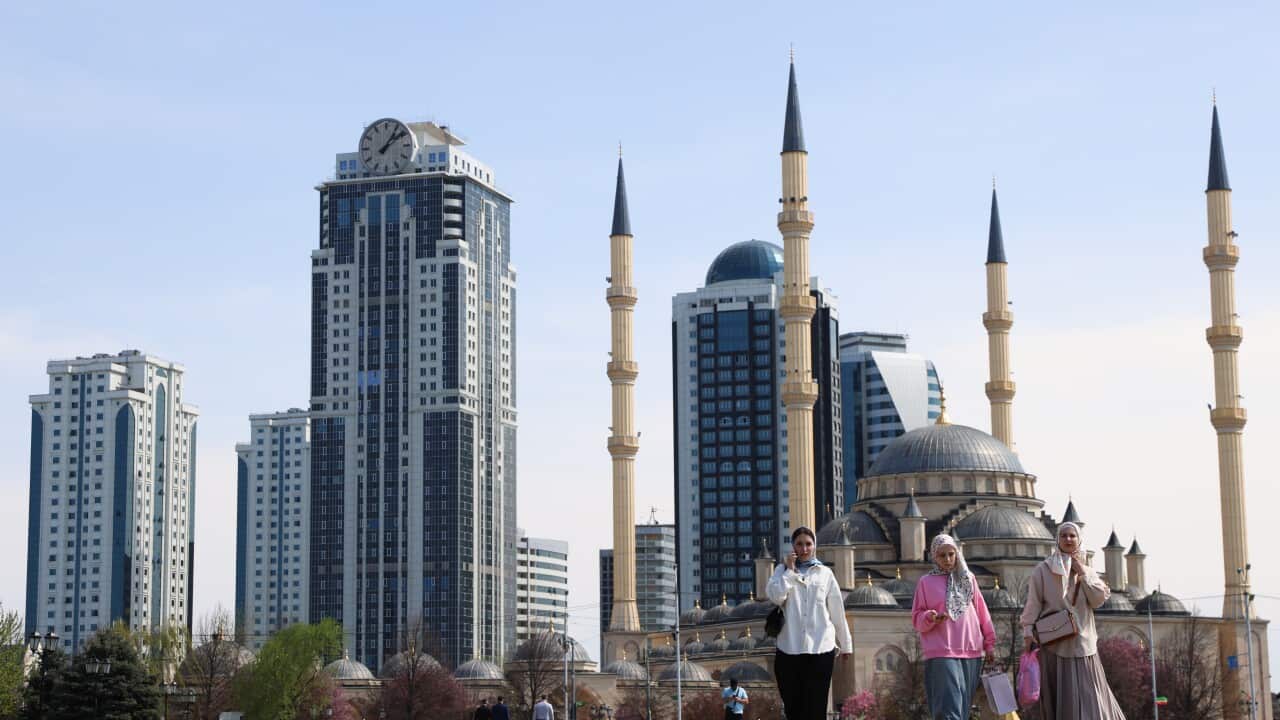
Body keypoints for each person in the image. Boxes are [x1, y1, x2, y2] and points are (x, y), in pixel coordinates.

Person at [1020, 521, 1126, 719]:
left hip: (1083, 645)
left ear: (1079, 539)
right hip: (1054, 644)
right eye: (1064, 536)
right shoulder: (1043, 570)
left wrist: (1082, 572)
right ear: (1057, 540)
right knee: (1060, 699)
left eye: (1072, 536)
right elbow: (1033, 603)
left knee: (1090, 698)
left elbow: (1097, 600)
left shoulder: (1089, 572)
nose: (1068, 539)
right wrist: (1027, 631)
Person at [765, 526, 853, 720]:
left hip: (820, 648)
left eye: (808, 544)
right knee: (794, 709)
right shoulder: (781, 570)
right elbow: (776, 597)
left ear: (814, 546)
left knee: (816, 708)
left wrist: (846, 645)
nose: (804, 549)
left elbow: (837, 611)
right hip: (789, 648)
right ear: (793, 547)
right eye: (799, 544)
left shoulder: (825, 573)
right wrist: (789, 571)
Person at [911, 534, 997, 720]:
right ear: (934, 556)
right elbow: (917, 618)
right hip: (942, 650)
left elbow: (982, 612)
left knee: (963, 709)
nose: (948, 559)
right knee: (948, 708)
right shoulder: (926, 582)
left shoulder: (968, 578)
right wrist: (931, 617)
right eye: (942, 555)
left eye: (951, 554)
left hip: (971, 650)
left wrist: (989, 644)